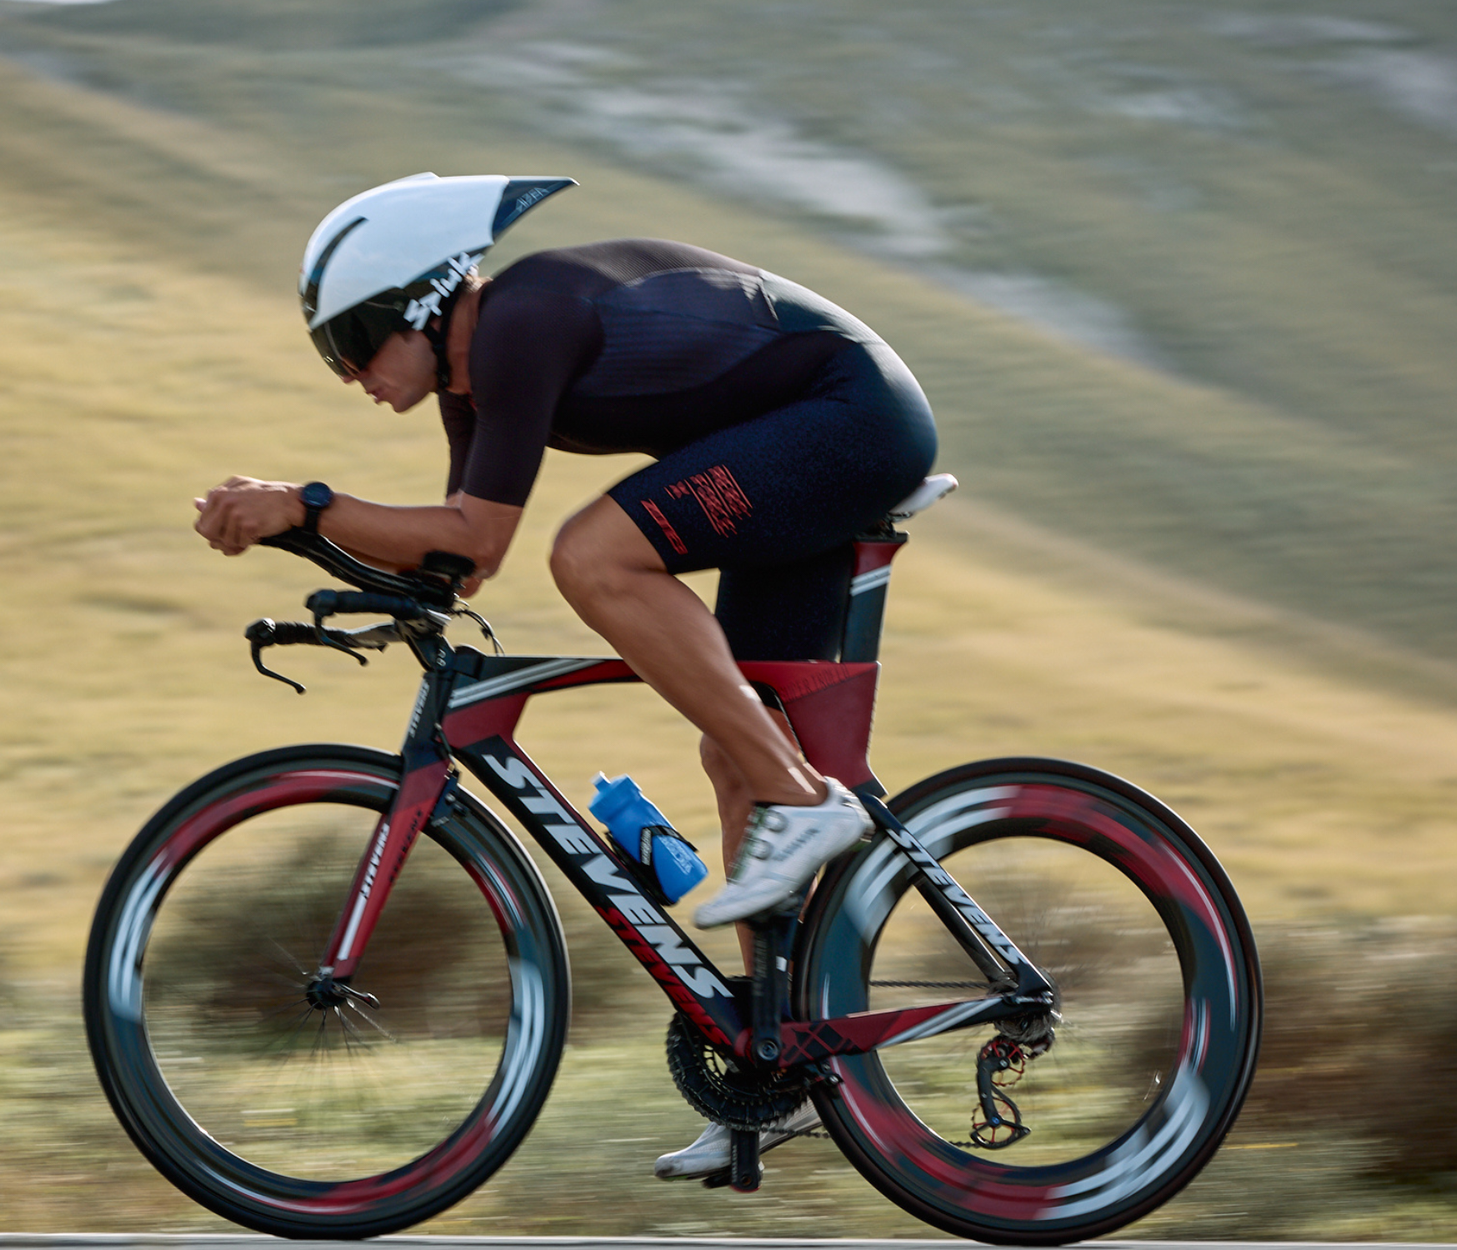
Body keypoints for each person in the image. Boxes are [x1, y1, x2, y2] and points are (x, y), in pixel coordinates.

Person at [191, 173, 939, 1180]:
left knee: (592, 555)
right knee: (733, 748)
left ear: (417, 301)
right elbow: (460, 556)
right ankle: (780, 1070)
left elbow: (477, 533)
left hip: (849, 417)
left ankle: (807, 799)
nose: (349, 373)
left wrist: (308, 503)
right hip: (798, 440)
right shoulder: (474, 383)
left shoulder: (520, 323)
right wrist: (310, 542)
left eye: (352, 343)